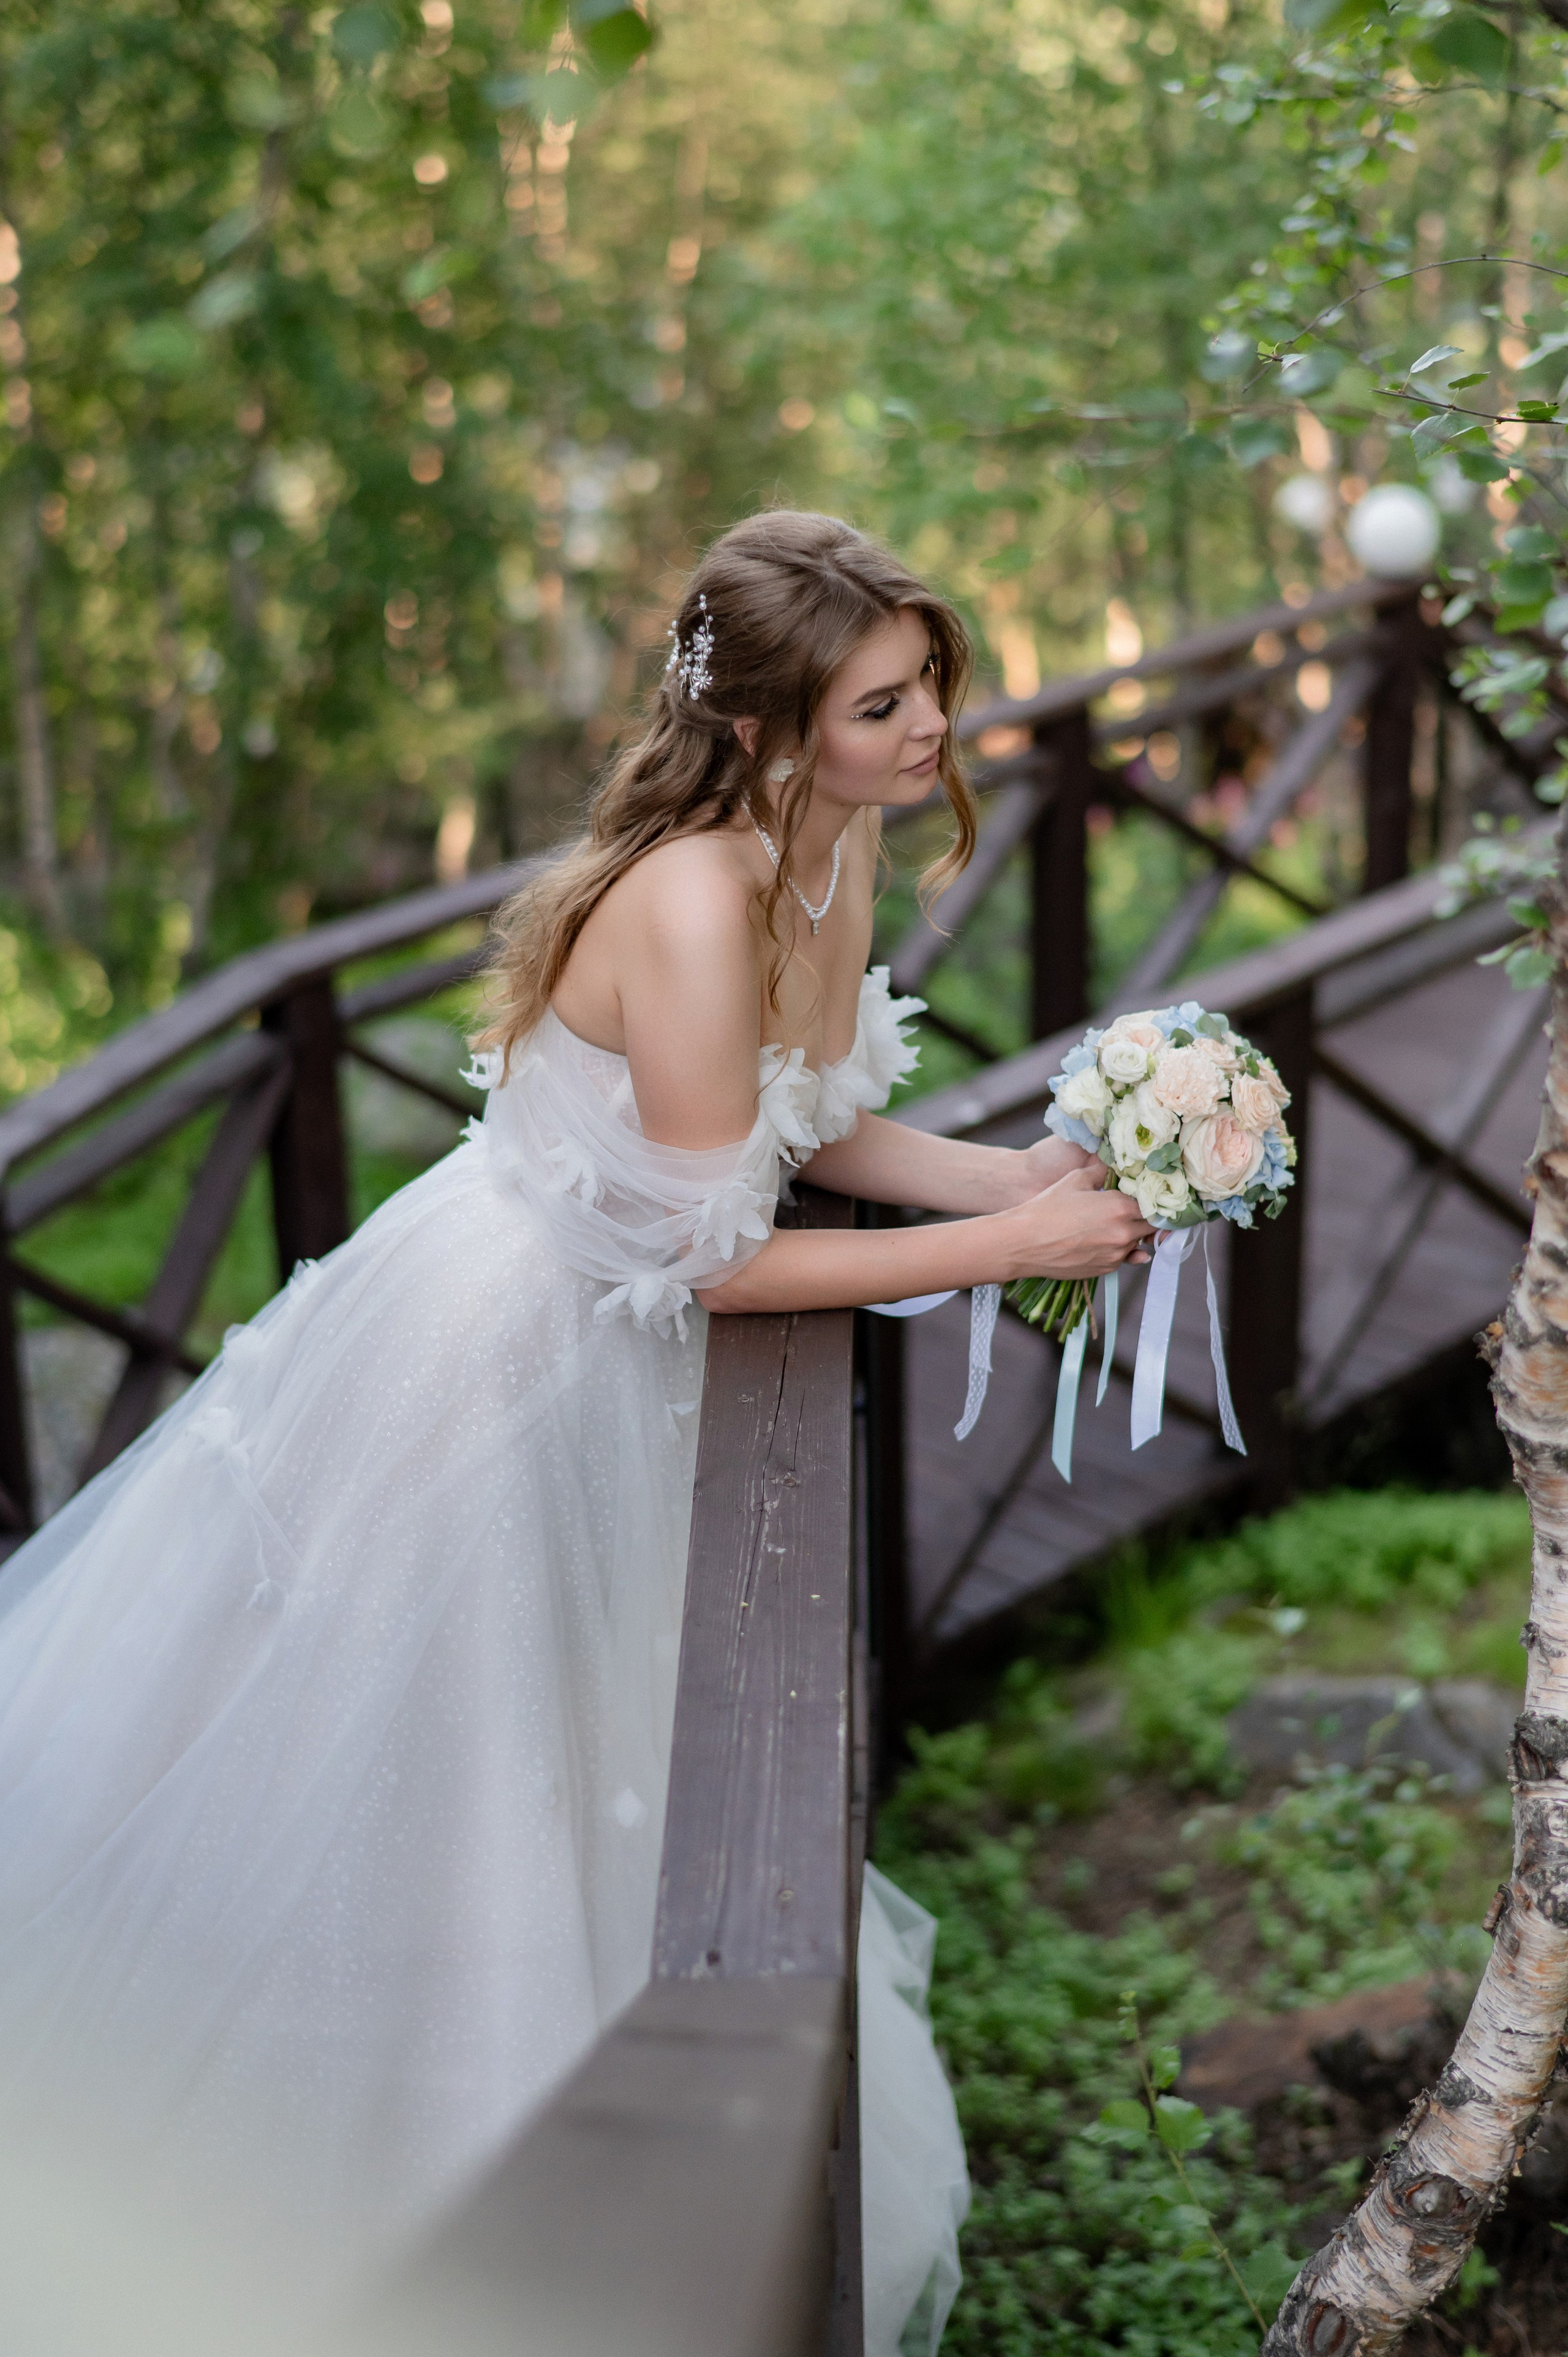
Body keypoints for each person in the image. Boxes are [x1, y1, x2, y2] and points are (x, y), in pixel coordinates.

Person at [0, 510, 1151, 2351]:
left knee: (597, 1749)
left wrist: (1012, 1169)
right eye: (882, 702)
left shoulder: (832, 844)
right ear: (772, 731)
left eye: (929, 680)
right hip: (495, 1361)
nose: (930, 723)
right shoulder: (695, 896)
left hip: (625, 1352)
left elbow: (811, 1123)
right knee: (444, 1764)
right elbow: (715, 1257)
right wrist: (1010, 1245)